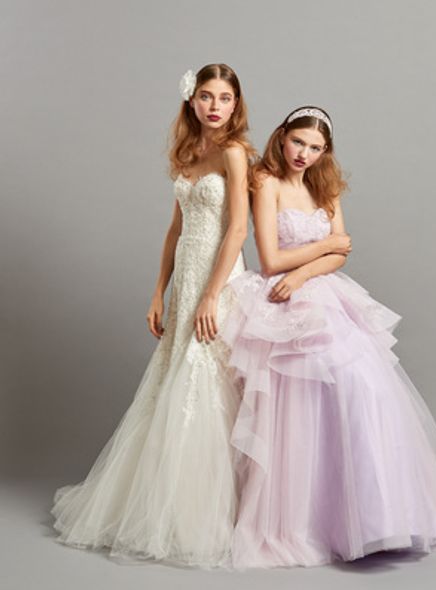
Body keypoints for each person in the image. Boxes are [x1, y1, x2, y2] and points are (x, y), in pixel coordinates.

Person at [221, 106, 436, 568]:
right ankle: (313, 519)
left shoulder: (324, 186)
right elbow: (270, 259)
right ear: (282, 137)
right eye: (298, 142)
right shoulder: (265, 182)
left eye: (315, 148)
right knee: (299, 405)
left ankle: (379, 515)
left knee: (366, 389)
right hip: (280, 298)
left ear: (325, 152)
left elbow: (341, 253)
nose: (304, 154)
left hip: (320, 292)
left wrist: (310, 266)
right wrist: (324, 248)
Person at [51, 63, 255, 568]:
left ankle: (212, 513)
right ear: (191, 101)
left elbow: (237, 230)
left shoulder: (235, 153)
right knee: (173, 382)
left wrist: (212, 295)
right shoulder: (188, 152)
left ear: (236, 105)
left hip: (217, 278)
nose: (214, 106)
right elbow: (175, 229)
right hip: (186, 277)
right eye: (205, 96)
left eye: (224, 98)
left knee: (207, 382)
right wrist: (158, 293)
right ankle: (165, 504)